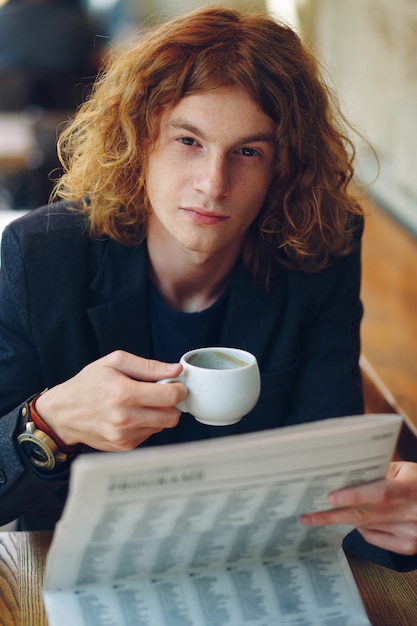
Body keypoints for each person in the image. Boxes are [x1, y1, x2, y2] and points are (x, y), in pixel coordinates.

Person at [0, 6, 416, 571]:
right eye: (189, 141)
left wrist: (392, 518)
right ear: (138, 139)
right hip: (72, 572)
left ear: (283, 168)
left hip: (252, 565)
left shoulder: (319, 250)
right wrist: (49, 422)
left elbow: (326, 482)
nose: (213, 185)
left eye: (248, 152)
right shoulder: (41, 256)